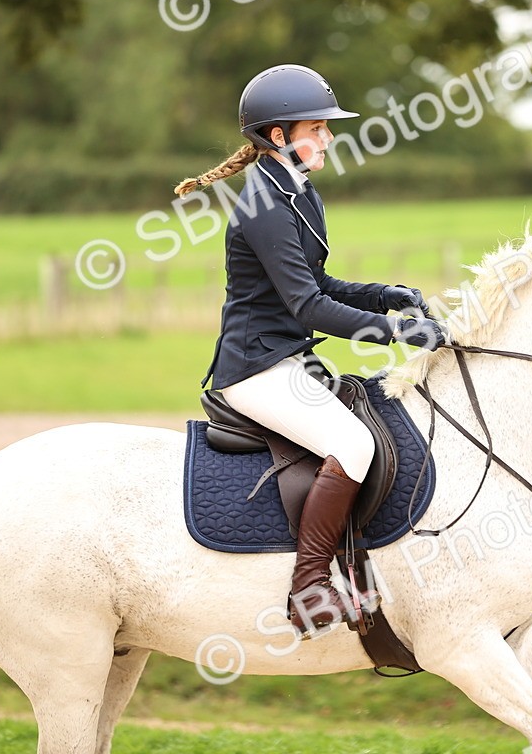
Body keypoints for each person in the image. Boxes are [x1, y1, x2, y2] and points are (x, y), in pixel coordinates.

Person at [175, 64, 447, 637]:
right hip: (255, 369)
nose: (327, 137)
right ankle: (309, 586)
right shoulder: (264, 206)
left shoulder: (297, 192)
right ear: (278, 136)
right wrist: (399, 333)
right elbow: (310, 309)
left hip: (289, 359)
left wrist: (385, 294)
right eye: (317, 127)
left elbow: (319, 284)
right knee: (352, 442)